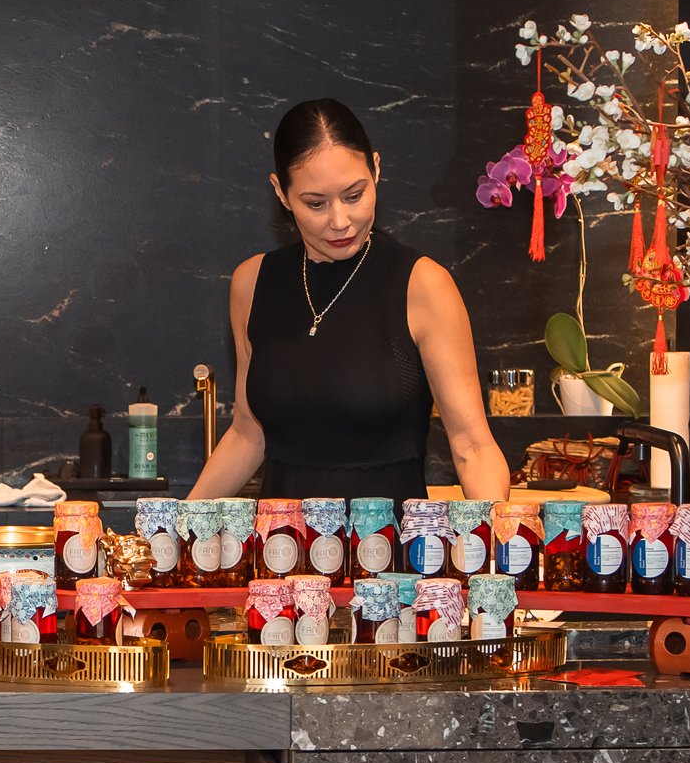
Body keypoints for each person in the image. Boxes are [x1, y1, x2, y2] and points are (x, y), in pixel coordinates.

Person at [187, 98, 510, 504]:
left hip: (391, 561)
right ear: (281, 193)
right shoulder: (252, 282)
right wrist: (180, 523)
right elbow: (248, 432)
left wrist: (499, 542)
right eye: (315, 203)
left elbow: (472, 447)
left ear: (376, 169)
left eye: (355, 195)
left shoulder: (422, 284)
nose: (340, 221)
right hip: (282, 556)